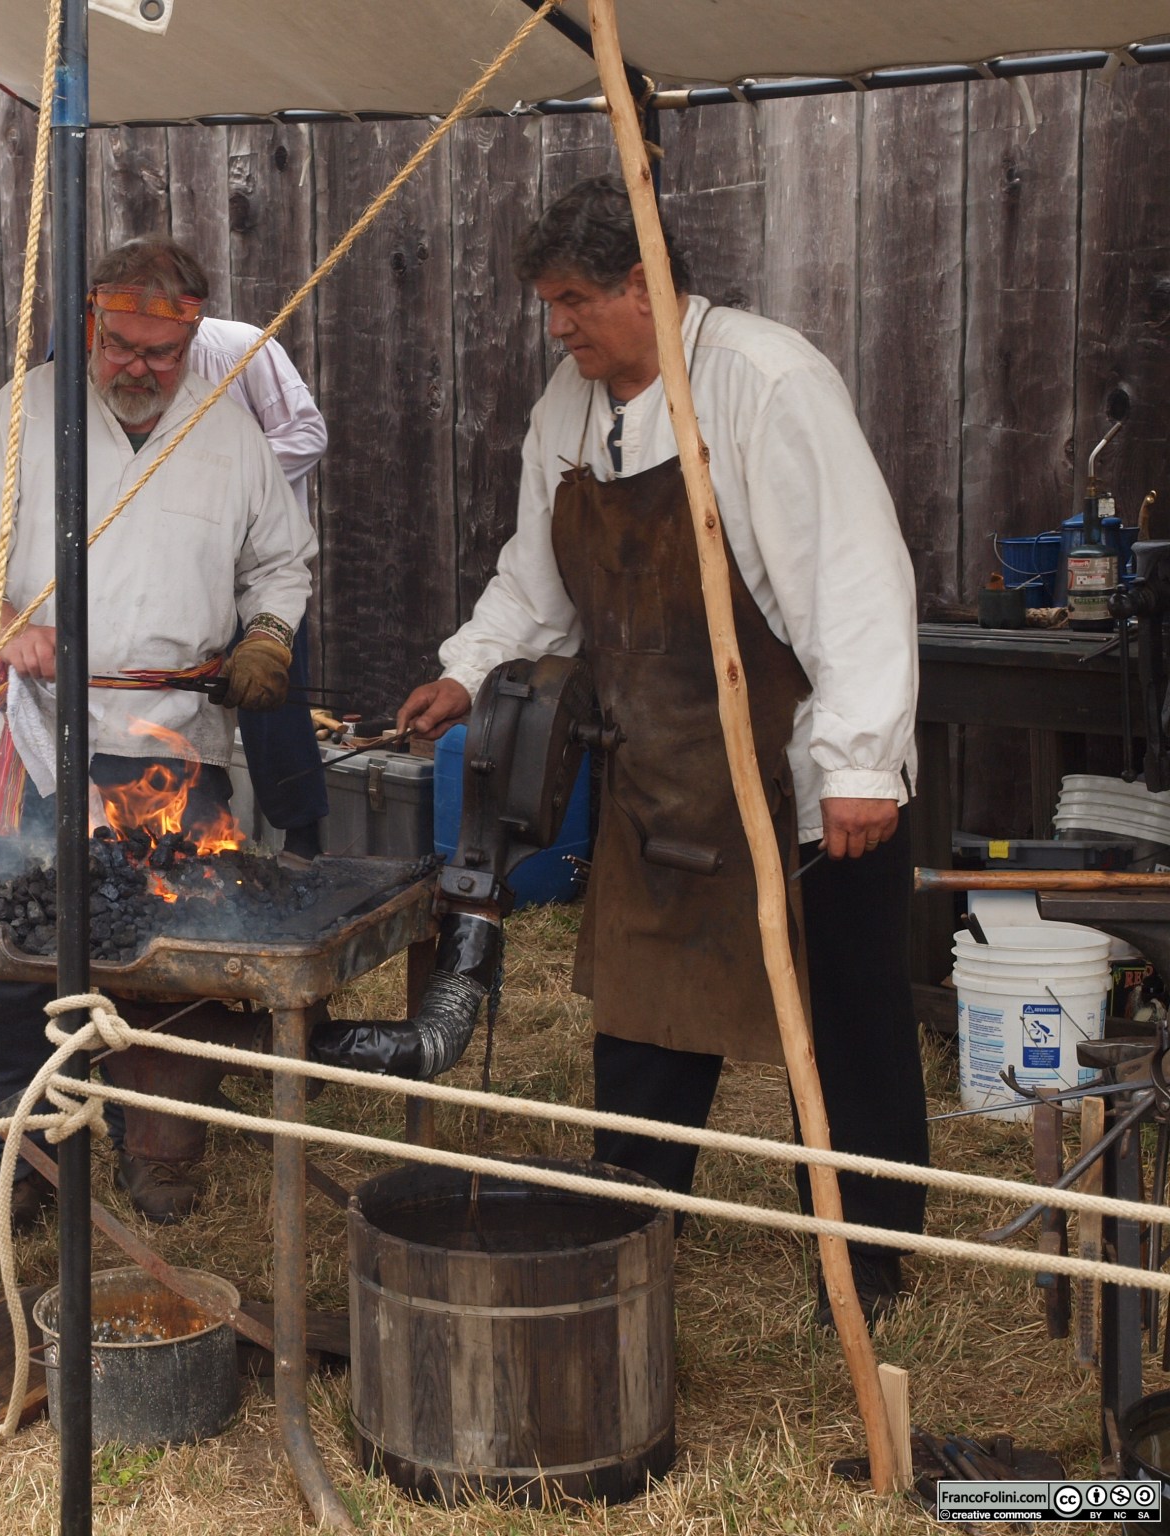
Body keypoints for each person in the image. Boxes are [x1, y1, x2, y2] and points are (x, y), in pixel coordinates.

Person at [394, 177, 926, 1318]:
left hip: (795, 778)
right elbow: (534, 575)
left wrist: (859, 765)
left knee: (844, 1023)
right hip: (660, 772)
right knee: (641, 1020)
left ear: (641, 285)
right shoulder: (569, 405)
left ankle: (870, 1256)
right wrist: (467, 668)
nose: (558, 326)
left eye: (573, 300)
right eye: (550, 304)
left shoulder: (765, 382)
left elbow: (855, 580)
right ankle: (628, 1230)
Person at [0, 236, 314, 1233]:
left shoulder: (228, 434)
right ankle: (19, 1149)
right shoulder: (25, 413)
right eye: (119, 346)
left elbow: (280, 560)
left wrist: (267, 636)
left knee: (172, 946)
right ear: (91, 323)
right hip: (37, 730)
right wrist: (0, 623)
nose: (137, 368)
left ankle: (160, 1144)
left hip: (172, 737)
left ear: (192, 341)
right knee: (21, 943)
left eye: (160, 354)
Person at [188, 315, 330, 857]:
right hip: (182, 573)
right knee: (186, 700)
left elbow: (307, 434)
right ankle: (207, 842)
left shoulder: (238, 348)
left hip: (262, 567)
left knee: (274, 702)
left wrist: (223, 472)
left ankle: (303, 843)